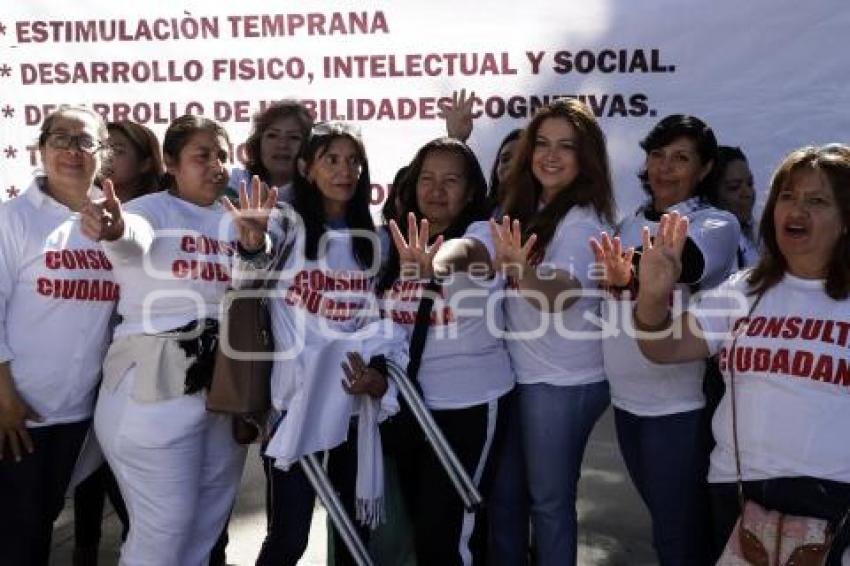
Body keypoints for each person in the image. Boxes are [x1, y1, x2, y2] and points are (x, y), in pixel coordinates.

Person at [595, 143, 850, 564]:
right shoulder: (742, 290)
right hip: (738, 493)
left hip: (833, 500)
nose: (796, 210)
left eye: (817, 200)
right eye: (787, 196)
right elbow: (664, 347)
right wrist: (654, 299)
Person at [435, 98, 617, 565]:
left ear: (587, 157)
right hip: (519, 377)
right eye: (542, 143)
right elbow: (474, 243)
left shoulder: (582, 221)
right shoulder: (522, 208)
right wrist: (439, 259)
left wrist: (525, 272)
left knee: (549, 504)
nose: (550, 155)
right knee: (505, 500)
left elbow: (560, 293)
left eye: (566, 146)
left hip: (562, 383)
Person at [226, 121, 394, 566]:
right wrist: (250, 242)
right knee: (288, 538)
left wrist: (377, 374)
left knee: (353, 535)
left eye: (353, 161)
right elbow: (246, 278)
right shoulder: (284, 222)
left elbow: (381, 320)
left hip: (353, 410)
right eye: (332, 160)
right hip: (293, 407)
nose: (345, 171)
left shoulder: (373, 240)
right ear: (306, 167)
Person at [83, 115, 247, 566]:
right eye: (202, 155)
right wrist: (115, 231)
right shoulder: (148, 211)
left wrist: (256, 246)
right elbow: (129, 240)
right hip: (153, 393)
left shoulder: (234, 220)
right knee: (163, 532)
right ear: (171, 162)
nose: (216, 165)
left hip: (221, 393)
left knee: (203, 529)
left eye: (222, 155)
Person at [590, 114, 739, 564]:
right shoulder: (626, 222)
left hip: (679, 410)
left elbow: (686, 262)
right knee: (668, 530)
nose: (665, 167)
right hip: (629, 404)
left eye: (681, 158)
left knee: (679, 541)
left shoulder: (715, 222)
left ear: (706, 169)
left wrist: (631, 264)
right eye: (658, 155)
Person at [380, 137, 513, 565]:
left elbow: (470, 255)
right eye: (427, 179)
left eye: (451, 180)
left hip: (468, 407)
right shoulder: (395, 241)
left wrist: (435, 263)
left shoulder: (481, 233)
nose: (437, 190)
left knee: (451, 538)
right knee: (425, 533)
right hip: (411, 411)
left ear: (471, 191)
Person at [0, 106, 117, 565]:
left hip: (78, 416)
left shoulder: (112, 226)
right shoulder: (14, 220)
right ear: (41, 148)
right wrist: (4, 398)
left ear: (102, 154)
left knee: (41, 523)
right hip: (18, 414)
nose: (72, 150)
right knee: (18, 537)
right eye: (61, 138)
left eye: (85, 141)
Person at [72, 118, 163, 566]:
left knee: (136, 494)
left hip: (136, 368)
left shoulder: (160, 212)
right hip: (80, 360)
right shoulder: (77, 208)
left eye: (119, 149)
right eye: (103, 147)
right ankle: (86, 548)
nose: (107, 156)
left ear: (147, 161)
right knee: (88, 475)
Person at [227, 99, 313, 202]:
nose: (282, 144)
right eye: (272, 135)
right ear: (258, 142)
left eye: (294, 137)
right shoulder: (238, 180)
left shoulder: (319, 189)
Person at [715, 145, 758, 268]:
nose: (747, 193)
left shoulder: (759, 238)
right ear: (712, 193)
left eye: (750, 184)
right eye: (734, 187)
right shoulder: (714, 251)